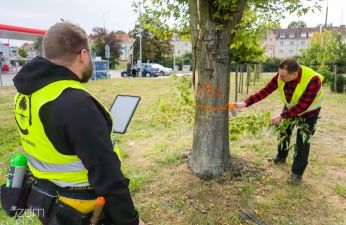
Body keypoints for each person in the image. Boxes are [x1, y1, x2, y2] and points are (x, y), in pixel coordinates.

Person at [13, 22, 145, 225]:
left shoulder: (25, 94)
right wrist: (131, 221)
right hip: (84, 209)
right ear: (83, 54)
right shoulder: (76, 104)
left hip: (49, 203)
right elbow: (107, 176)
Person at [234, 59, 324, 185]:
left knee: (302, 142)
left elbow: (303, 105)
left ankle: (297, 174)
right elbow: (266, 90)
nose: (279, 78)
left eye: (283, 76)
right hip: (290, 107)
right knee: (284, 132)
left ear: (295, 74)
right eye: (279, 74)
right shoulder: (280, 77)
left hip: (309, 111)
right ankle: (281, 157)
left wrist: (282, 116)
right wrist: (246, 103)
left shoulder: (313, 80)